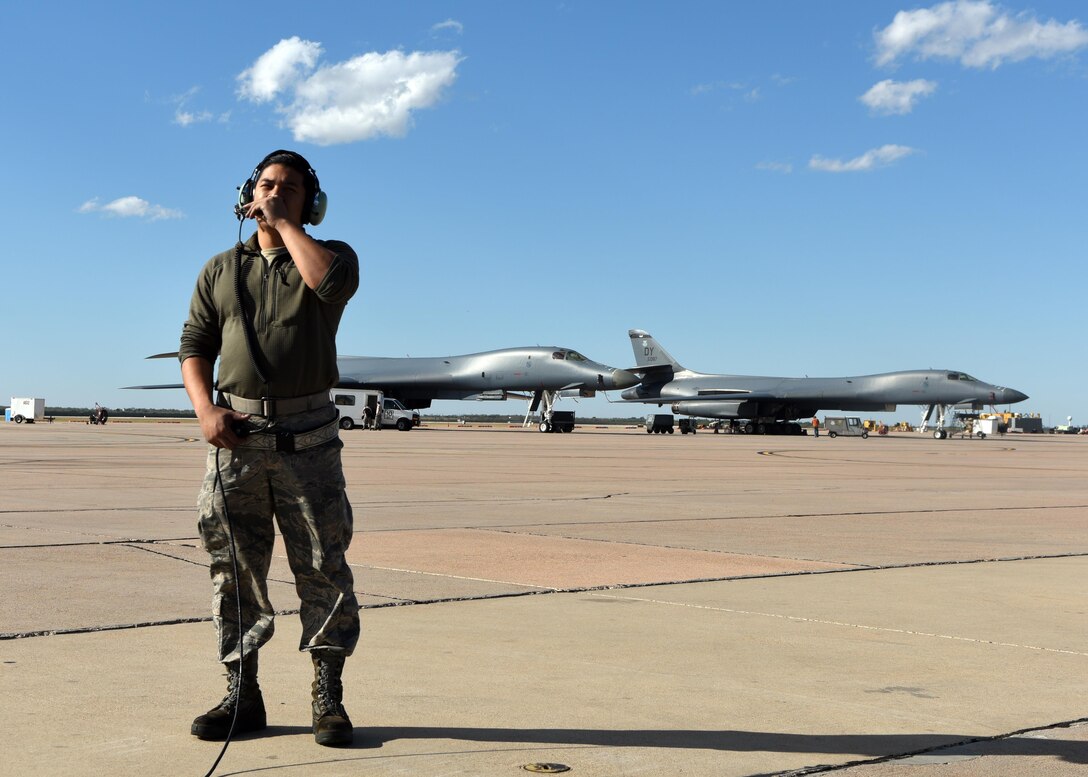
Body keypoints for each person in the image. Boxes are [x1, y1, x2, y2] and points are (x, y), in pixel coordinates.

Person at [178, 150, 360, 747]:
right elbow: (195, 343)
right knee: (233, 569)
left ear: (312, 203)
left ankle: (327, 695)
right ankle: (242, 693)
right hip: (236, 440)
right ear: (246, 195)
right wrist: (205, 410)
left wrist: (284, 224)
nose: (275, 192)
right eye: (266, 185)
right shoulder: (219, 269)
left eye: (290, 188)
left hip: (309, 442)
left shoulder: (333, 255)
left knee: (323, 569)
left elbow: (328, 284)